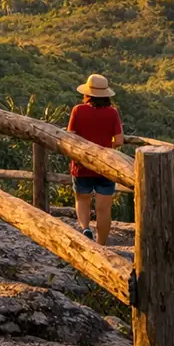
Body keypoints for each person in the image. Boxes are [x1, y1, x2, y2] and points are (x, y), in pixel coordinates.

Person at [66, 74, 124, 244]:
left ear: (87, 94)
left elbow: (71, 137)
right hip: (105, 166)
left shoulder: (78, 110)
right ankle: (102, 245)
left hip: (81, 164)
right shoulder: (112, 112)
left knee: (82, 199)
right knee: (103, 209)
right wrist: (106, 150)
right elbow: (119, 140)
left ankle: (85, 229)